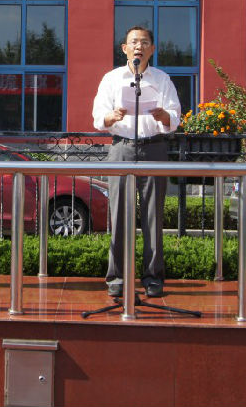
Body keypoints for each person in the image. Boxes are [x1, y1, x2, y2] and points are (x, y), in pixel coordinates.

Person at [91, 26, 180, 299]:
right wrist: (112, 116)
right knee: (118, 214)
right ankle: (117, 277)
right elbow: (98, 117)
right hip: (122, 148)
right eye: (133, 42)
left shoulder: (162, 79)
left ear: (152, 49)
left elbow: (175, 117)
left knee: (153, 216)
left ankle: (153, 278)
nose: (138, 46)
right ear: (124, 48)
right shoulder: (111, 78)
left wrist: (164, 115)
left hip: (154, 148)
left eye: (144, 42)